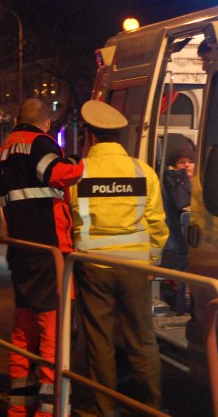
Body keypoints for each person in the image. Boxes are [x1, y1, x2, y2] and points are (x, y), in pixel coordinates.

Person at [68, 100, 169, 416]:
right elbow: (157, 223)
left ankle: (105, 407)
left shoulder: (79, 172)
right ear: (119, 137)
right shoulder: (142, 171)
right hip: (134, 267)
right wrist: (153, 261)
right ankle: (150, 407)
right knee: (142, 339)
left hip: (93, 267)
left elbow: (72, 218)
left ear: (91, 136)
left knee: (99, 341)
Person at [0, 98, 84, 417]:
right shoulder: (41, 143)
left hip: (20, 250)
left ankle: (19, 408)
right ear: (46, 123)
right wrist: (79, 164)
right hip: (48, 250)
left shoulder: (4, 150)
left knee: (24, 329)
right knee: (52, 331)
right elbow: (55, 173)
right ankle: (48, 408)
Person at [161, 143, 194, 263]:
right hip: (177, 239)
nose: (187, 165)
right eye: (182, 162)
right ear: (174, 166)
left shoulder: (202, 182)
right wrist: (181, 176)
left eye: (191, 161)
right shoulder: (171, 180)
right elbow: (183, 203)